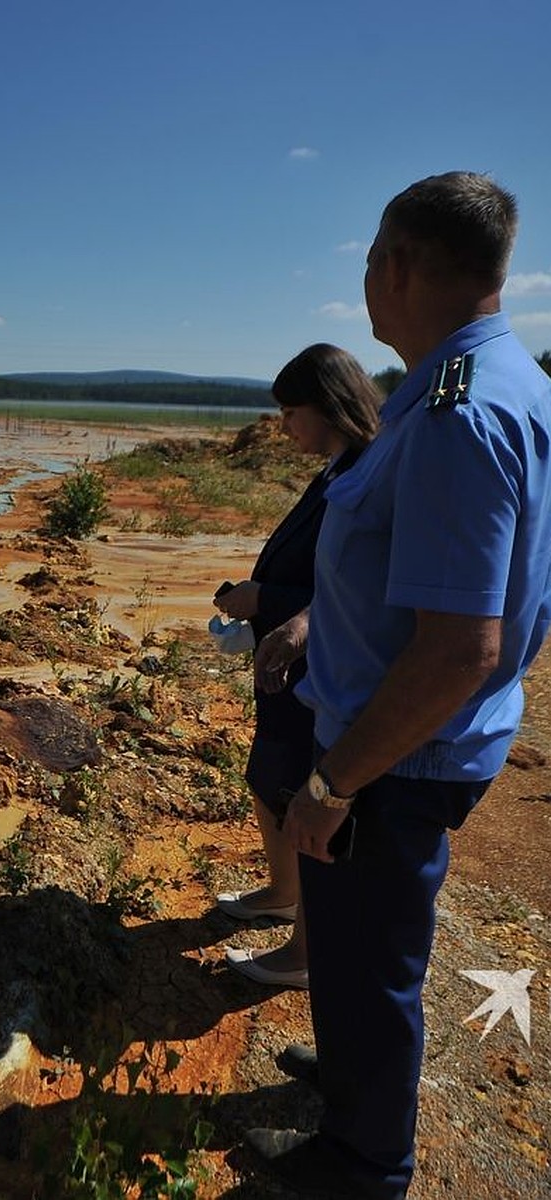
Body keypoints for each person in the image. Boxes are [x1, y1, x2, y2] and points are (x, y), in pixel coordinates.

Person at [245, 172, 551, 1199]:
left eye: (371, 260)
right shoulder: (478, 380)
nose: (366, 282)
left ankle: (364, 1164)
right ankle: (347, 1082)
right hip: (402, 737)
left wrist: (334, 784)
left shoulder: (459, 413)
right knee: (347, 946)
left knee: (374, 966)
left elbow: (460, 643)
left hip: (396, 754)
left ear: (400, 267)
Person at [214, 344, 380, 989]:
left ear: (329, 405)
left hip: (322, 671)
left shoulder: (367, 473)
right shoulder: (336, 467)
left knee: (303, 800)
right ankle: (282, 895)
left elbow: (355, 590)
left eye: (290, 411)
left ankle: (305, 950)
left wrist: (270, 601)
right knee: (268, 779)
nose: (283, 427)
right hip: (289, 663)